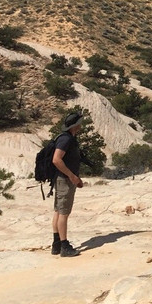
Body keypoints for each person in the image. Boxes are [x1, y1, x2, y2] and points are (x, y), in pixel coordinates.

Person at [51, 110, 85, 257]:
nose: (81, 126)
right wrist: (72, 176)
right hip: (65, 180)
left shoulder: (65, 137)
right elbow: (56, 159)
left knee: (58, 211)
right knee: (64, 213)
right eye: (79, 123)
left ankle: (56, 244)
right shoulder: (66, 140)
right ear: (75, 126)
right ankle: (64, 246)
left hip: (61, 179)